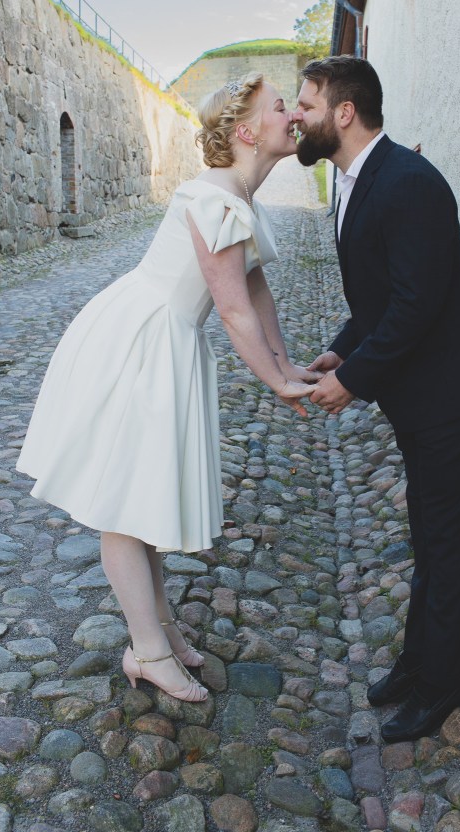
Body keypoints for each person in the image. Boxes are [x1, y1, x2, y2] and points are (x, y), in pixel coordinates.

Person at [17, 73, 315, 703]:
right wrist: (276, 385)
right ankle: (147, 651)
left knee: (143, 498)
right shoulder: (215, 200)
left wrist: (287, 366)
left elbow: (256, 289)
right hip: (142, 342)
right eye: (279, 107)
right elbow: (232, 310)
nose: (292, 115)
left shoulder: (236, 197)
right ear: (246, 132)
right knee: (124, 504)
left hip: (165, 338)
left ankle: (161, 631)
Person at [293, 55, 460, 743]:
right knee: (431, 535)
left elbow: (418, 303)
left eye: (306, 103)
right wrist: (344, 348)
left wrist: (353, 379)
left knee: (452, 545)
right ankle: (421, 661)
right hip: (425, 400)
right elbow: (382, 291)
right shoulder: (358, 180)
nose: (297, 115)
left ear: (344, 112)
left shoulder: (409, 180)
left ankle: (447, 682)